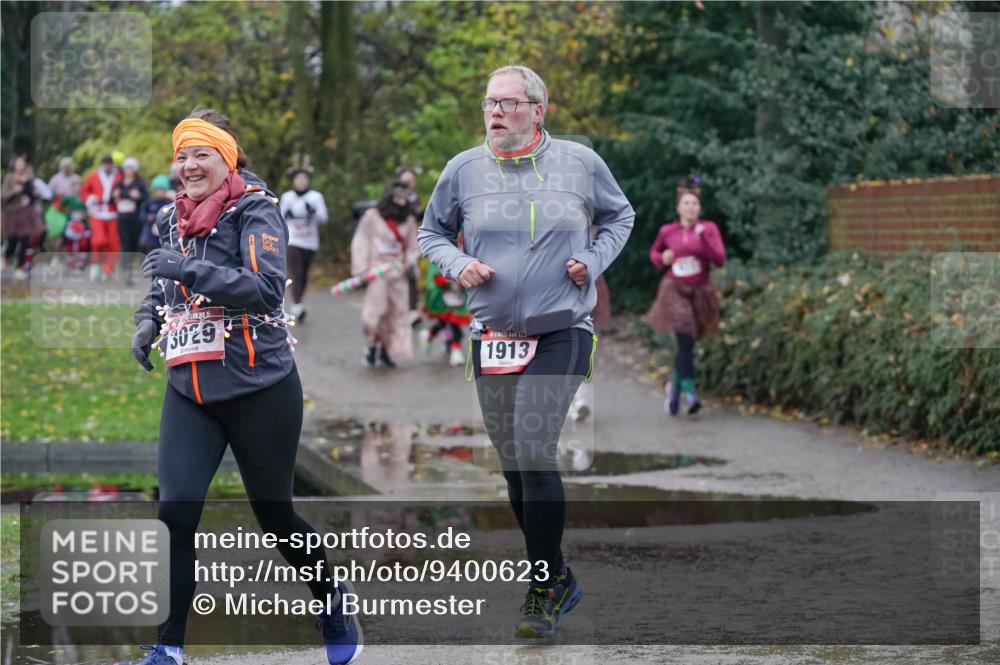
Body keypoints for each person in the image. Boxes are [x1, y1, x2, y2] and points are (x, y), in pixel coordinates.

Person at [127, 108, 362, 665]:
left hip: (260, 387)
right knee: (175, 515)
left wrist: (187, 273)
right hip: (192, 389)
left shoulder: (255, 210)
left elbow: (263, 290)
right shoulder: (171, 217)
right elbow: (165, 283)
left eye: (200, 154)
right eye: (180, 155)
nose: (187, 165)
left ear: (226, 157)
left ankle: (331, 599)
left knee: (274, 515)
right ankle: (167, 649)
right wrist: (148, 320)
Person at [418, 65, 634, 638]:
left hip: (563, 329)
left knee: (535, 451)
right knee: (514, 465)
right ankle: (557, 572)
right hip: (492, 338)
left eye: (509, 103)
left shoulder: (580, 164)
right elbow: (430, 233)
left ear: (538, 111)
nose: (495, 112)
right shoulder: (462, 170)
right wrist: (459, 264)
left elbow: (620, 216)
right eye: (490, 102)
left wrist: (591, 262)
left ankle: (540, 588)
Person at [645, 177, 726, 415]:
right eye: (686, 203)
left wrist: (703, 239)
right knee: (684, 337)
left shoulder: (709, 229)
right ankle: (690, 395)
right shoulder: (667, 231)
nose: (690, 207)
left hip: (700, 290)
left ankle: (674, 388)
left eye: (694, 204)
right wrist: (663, 259)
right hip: (674, 290)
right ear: (678, 207)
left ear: (700, 208)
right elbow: (655, 253)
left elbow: (719, 259)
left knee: (688, 342)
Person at [350, 181, 419, 368]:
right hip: (377, 273)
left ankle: (387, 350)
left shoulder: (409, 220)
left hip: (398, 274)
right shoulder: (372, 217)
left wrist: (409, 262)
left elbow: (414, 247)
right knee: (375, 313)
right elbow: (361, 241)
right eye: (397, 196)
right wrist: (361, 269)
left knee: (396, 315)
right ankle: (371, 345)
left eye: (404, 197)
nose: (401, 200)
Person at [279, 165, 328, 323]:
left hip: (310, 242)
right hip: (293, 240)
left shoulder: (315, 197)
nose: (301, 181)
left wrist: (313, 211)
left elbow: (324, 218)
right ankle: (297, 304)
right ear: (293, 181)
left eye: (304, 179)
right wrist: (287, 215)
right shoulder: (287, 197)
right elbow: (279, 218)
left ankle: (298, 302)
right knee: (296, 272)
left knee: (304, 274)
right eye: (298, 179)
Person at [2, 153, 48, 278]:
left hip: (27, 214)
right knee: (13, 240)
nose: (21, 166)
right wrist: (13, 191)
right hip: (13, 213)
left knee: (25, 240)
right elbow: (4, 195)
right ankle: (6, 257)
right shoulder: (9, 178)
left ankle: (20, 268)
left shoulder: (29, 179)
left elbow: (32, 194)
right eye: (19, 163)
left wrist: (36, 194)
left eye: (23, 163)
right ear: (14, 165)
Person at [420, 259, 471, 366]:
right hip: (442, 297)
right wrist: (453, 280)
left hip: (457, 297)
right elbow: (436, 277)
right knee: (449, 323)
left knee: (450, 322)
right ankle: (455, 350)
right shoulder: (438, 253)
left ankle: (430, 335)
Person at [80, 153, 122, 281]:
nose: (108, 165)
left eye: (110, 163)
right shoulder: (93, 175)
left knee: (113, 243)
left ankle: (108, 269)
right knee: (99, 240)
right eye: (106, 163)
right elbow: (85, 191)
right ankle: (95, 265)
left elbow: (125, 189)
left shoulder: (119, 176)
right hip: (97, 212)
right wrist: (91, 198)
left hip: (112, 212)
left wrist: (120, 197)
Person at [114, 156, 148, 282]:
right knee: (126, 244)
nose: (128, 170)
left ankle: (132, 269)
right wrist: (115, 197)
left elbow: (146, 199)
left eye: (130, 168)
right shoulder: (119, 184)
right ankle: (127, 271)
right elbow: (113, 200)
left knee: (134, 244)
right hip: (122, 219)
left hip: (135, 219)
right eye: (126, 168)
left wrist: (138, 197)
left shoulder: (139, 183)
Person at [398, 167, 423, 326]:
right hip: (395, 241)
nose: (407, 183)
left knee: (412, 274)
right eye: (404, 180)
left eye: (410, 180)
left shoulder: (414, 198)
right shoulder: (395, 197)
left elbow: (416, 216)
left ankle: (412, 310)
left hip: (411, 240)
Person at [140, 174, 174, 251]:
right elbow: (142, 215)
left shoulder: (169, 203)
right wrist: (147, 217)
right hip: (151, 236)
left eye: (160, 190)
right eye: (156, 190)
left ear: (165, 190)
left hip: (165, 235)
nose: (158, 192)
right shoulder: (149, 203)